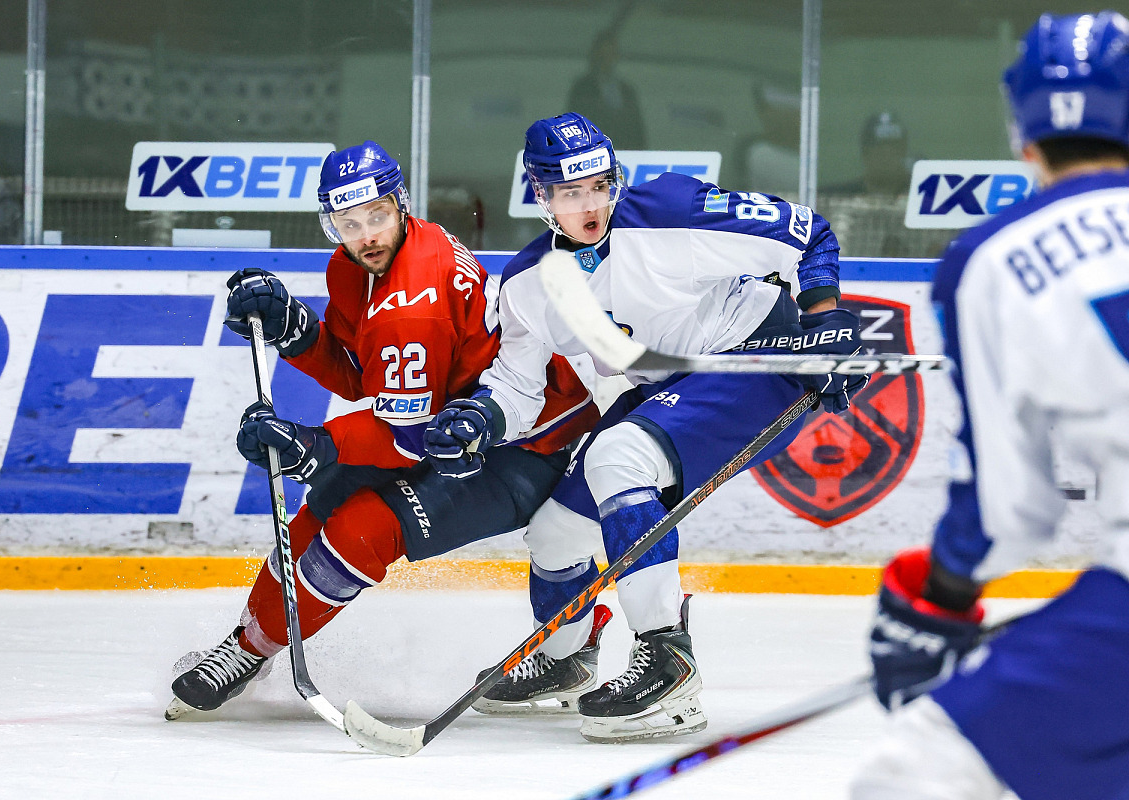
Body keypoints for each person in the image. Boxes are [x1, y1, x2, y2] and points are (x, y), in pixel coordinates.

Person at [422, 112, 866, 742]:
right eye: (570, 193)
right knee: (555, 533)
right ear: (541, 195)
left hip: (755, 353)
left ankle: (667, 659)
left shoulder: (669, 211)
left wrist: (825, 321)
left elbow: (808, 232)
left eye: (599, 186)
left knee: (619, 457)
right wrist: (479, 417)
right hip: (667, 383)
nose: (590, 205)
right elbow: (517, 386)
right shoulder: (527, 283)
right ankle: (566, 657)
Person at [165, 141, 599, 719]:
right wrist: (295, 330)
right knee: (324, 503)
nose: (367, 235)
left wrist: (314, 447)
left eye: (377, 216)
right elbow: (361, 378)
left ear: (400, 204)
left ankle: (575, 645)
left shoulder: (415, 300)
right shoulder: (355, 267)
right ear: (332, 225)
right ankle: (244, 649)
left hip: (522, 444)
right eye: (349, 223)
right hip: (450, 422)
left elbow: (409, 438)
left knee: (361, 530)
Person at [850, 11, 1129, 799]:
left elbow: (1011, 511)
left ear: (1023, 134)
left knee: (910, 776)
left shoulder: (992, 258)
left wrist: (940, 598)